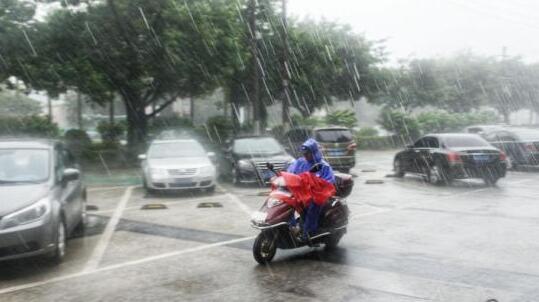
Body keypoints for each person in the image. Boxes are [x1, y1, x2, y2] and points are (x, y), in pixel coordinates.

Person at [287, 138, 335, 241]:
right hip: (302, 192)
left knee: (313, 205)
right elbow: (290, 172)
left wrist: (315, 184)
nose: (305, 156)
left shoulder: (323, 166)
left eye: (307, 153)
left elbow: (329, 182)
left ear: (313, 152)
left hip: (318, 195)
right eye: (304, 153)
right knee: (287, 201)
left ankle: (308, 232)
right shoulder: (300, 162)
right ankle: (291, 227)